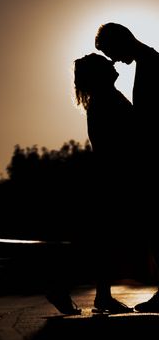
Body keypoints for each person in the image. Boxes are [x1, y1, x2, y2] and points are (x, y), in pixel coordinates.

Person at [46, 53, 135, 315]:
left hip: (108, 177)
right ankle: (68, 288)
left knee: (102, 239)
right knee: (103, 239)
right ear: (99, 74)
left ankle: (97, 295)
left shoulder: (102, 100)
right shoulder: (106, 100)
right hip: (112, 178)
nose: (112, 63)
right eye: (105, 63)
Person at [95, 22, 159, 312]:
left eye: (112, 52)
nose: (115, 60)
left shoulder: (153, 65)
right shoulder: (149, 63)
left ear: (122, 41)